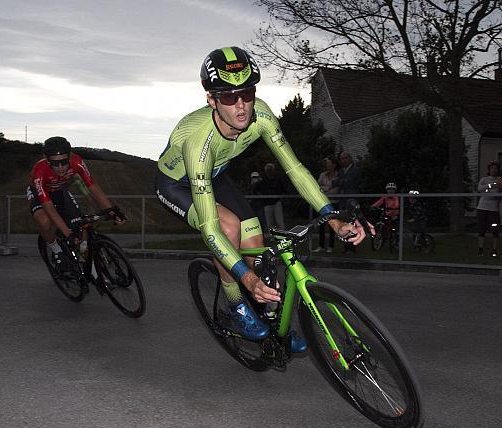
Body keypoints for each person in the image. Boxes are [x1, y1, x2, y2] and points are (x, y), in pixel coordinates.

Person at [154, 46, 368, 351]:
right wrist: (247, 281)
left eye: (247, 93)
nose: (241, 106)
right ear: (212, 100)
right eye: (228, 97)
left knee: (253, 236)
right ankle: (235, 308)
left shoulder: (262, 116)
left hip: (214, 175)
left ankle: (267, 319)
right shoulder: (197, 140)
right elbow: (211, 230)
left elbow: (295, 169)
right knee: (227, 230)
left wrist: (332, 218)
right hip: (177, 184)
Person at [27, 136, 124, 272]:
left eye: (64, 162)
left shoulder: (77, 162)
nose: (60, 167)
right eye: (55, 164)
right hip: (39, 194)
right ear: (47, 160)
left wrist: (112, 211)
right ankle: (56, 250)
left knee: (78, 223)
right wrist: (67, 234)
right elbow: (48, 207)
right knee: (44, 221)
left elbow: (93, 187)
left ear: (70, 156)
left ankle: (84, 262)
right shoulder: (40, 171)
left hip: (60, 190)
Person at [334, 150, 361, 253]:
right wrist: (341, 182)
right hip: (343, 200)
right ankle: (346, 246)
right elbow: (336, 182)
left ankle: (352, 247)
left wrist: (340, 182)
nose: (343, 160)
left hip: (352, 199)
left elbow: (349, 182)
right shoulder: (341, 171)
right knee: (344, 222)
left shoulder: (355, 170)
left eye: (345, 158)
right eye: (341, 159)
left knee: (353, 221)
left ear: (350, 159)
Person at [313, 156, 339, 253]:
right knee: (322, 224)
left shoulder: (338, 175)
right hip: (323, 203)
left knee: (333, 224)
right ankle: (321, 245)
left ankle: (331, 246)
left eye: (328, 163)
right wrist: (327, 188)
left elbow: (336, 190)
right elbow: (318, 188)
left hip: (334, 203)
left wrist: (326, 189)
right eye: (326, 163)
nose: (327, 165)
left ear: (334, 164)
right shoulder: (322, 175)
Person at [476, 161, 501, 257]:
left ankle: (494, 250)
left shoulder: (499, 180)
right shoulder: (484, 179)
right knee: (481, 228)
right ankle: (480, 249)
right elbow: (480, 189)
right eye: (492, 168)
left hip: (493, 209)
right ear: (489, 170)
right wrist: (490, 186)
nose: (494, 170)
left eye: (495, 168)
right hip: (482, 207)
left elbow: (497, 193)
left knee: (494, 229)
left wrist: (489, 189)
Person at [252, 162, 286, 233]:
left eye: (271, 170)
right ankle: (273, 237)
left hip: (277, 202)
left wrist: (282, 198)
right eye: (268, 170)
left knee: (279, 221)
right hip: (267, 204)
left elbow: (284, 190)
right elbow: (255, 190)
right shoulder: (263, 182)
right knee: (270, 223)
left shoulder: (278, 180)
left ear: (273, 171)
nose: (269, 171)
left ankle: (283, 237)